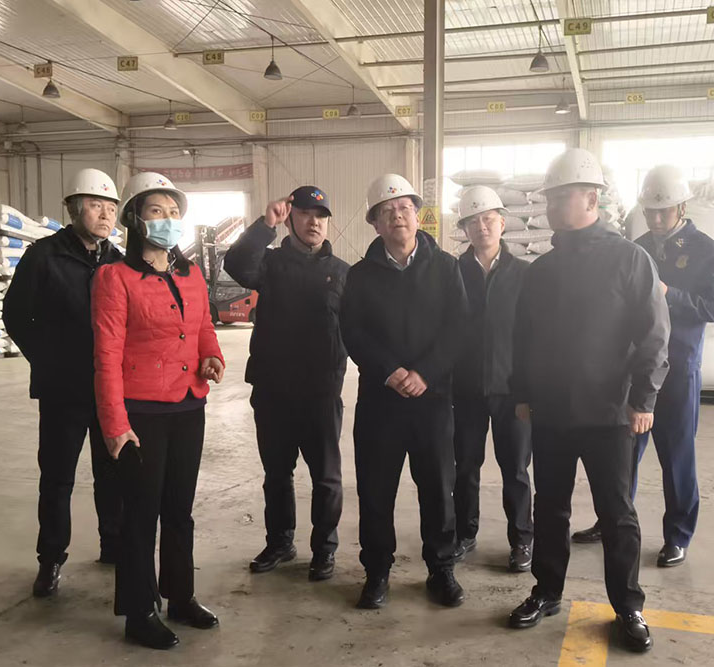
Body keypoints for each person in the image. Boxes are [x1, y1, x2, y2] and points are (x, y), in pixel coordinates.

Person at [506, 149, 670, 654]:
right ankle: (546, 591)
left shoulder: (629, 259)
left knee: (616, 513)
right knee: (550, 507)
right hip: (552, 413)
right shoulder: (542, 270)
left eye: (562, 197)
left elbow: (654, 334)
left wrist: (643, 399)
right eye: (550, 198)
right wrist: (523, 394)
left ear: (592, 199)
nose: (553, 206)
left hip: (610, 413)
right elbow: (523, 337)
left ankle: (628, 606)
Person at [91, 171, 225, 650]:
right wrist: (115, 424)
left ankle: (180, 596)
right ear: (135, 220)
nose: (168, 220)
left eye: (173, 212)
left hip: (189, 404)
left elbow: (204, 326)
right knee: (141, 514)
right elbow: (106, 355)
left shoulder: (191, 275)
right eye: (156, 211)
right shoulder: (115, 278)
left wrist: (212, 356)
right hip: (141, 411)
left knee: (179, 511)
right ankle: (138, 611)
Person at [572, 166, 714, 567]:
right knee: (622, 454)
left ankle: (678, 535)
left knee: (676, 455)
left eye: (664, 211)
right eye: (650, 212)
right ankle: (612, 520)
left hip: (678, 367)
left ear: (682, 208)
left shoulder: (706, 251)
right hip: (637, 368)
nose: (656, 219)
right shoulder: (635, 249)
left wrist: (669, 293)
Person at [340, 174, 469, 610]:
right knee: (376, 492)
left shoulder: (446, 267)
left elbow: (458, 328)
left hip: (432, 402)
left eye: (405, 208)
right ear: (375, 223)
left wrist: (426, 373)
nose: (398, 215)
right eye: (387, 211)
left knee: (438, 489)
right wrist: (389, 370)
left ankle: (441, 568)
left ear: (418, 215)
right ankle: (377, 571)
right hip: (381, 403)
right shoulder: (360, 275)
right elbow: (352, 331)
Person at [4, 168, 124, 598]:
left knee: (113, 472)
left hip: (109, 390)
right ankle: (51, 558)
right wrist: (48, 359)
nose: (105, 215)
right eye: (95, 205)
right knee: (57, 478)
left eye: (110, 208)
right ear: (74, 209)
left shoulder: (117, 261)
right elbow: (16, 315)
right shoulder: (44, 256)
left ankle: (114, 544)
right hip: (63, 391)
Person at [223, 186, 348, 582]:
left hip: (320, 393)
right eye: (306, 213)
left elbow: (359, 328)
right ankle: (280, 542)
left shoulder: (342, 272)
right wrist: (265, 225)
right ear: (291, 218)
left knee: (326, 478)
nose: (315, 222)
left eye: (321, 216)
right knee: (277, 474)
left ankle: (324, 549)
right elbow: (236, 264)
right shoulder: (270, 264)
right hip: (274, 390)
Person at [451, 185, 533, 573]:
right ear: (465, 228)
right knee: (465, 466)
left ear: (502, 222)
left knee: (515, 470)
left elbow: (534, 336)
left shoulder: (524, 275)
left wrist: (528, 390)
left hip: (511, 392)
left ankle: (522, 539)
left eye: (488, 219)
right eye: (473, 221)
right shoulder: (453, 272)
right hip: (465, 390)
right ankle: (464, 534)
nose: (482, 227)